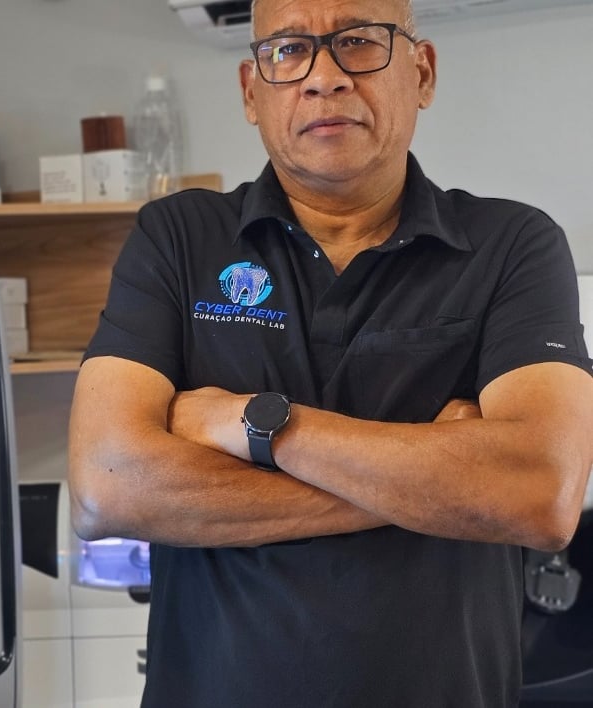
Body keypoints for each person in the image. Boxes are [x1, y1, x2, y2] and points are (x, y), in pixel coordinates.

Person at [68, 0, 593, 705]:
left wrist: (252, 423)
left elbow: (541, 494)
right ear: (252, 92)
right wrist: (432, 485)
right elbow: (105, 487)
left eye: (358, 41)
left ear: (422, 73)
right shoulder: (179, 238)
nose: (324, 77)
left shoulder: (512, 245)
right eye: (288, 50)